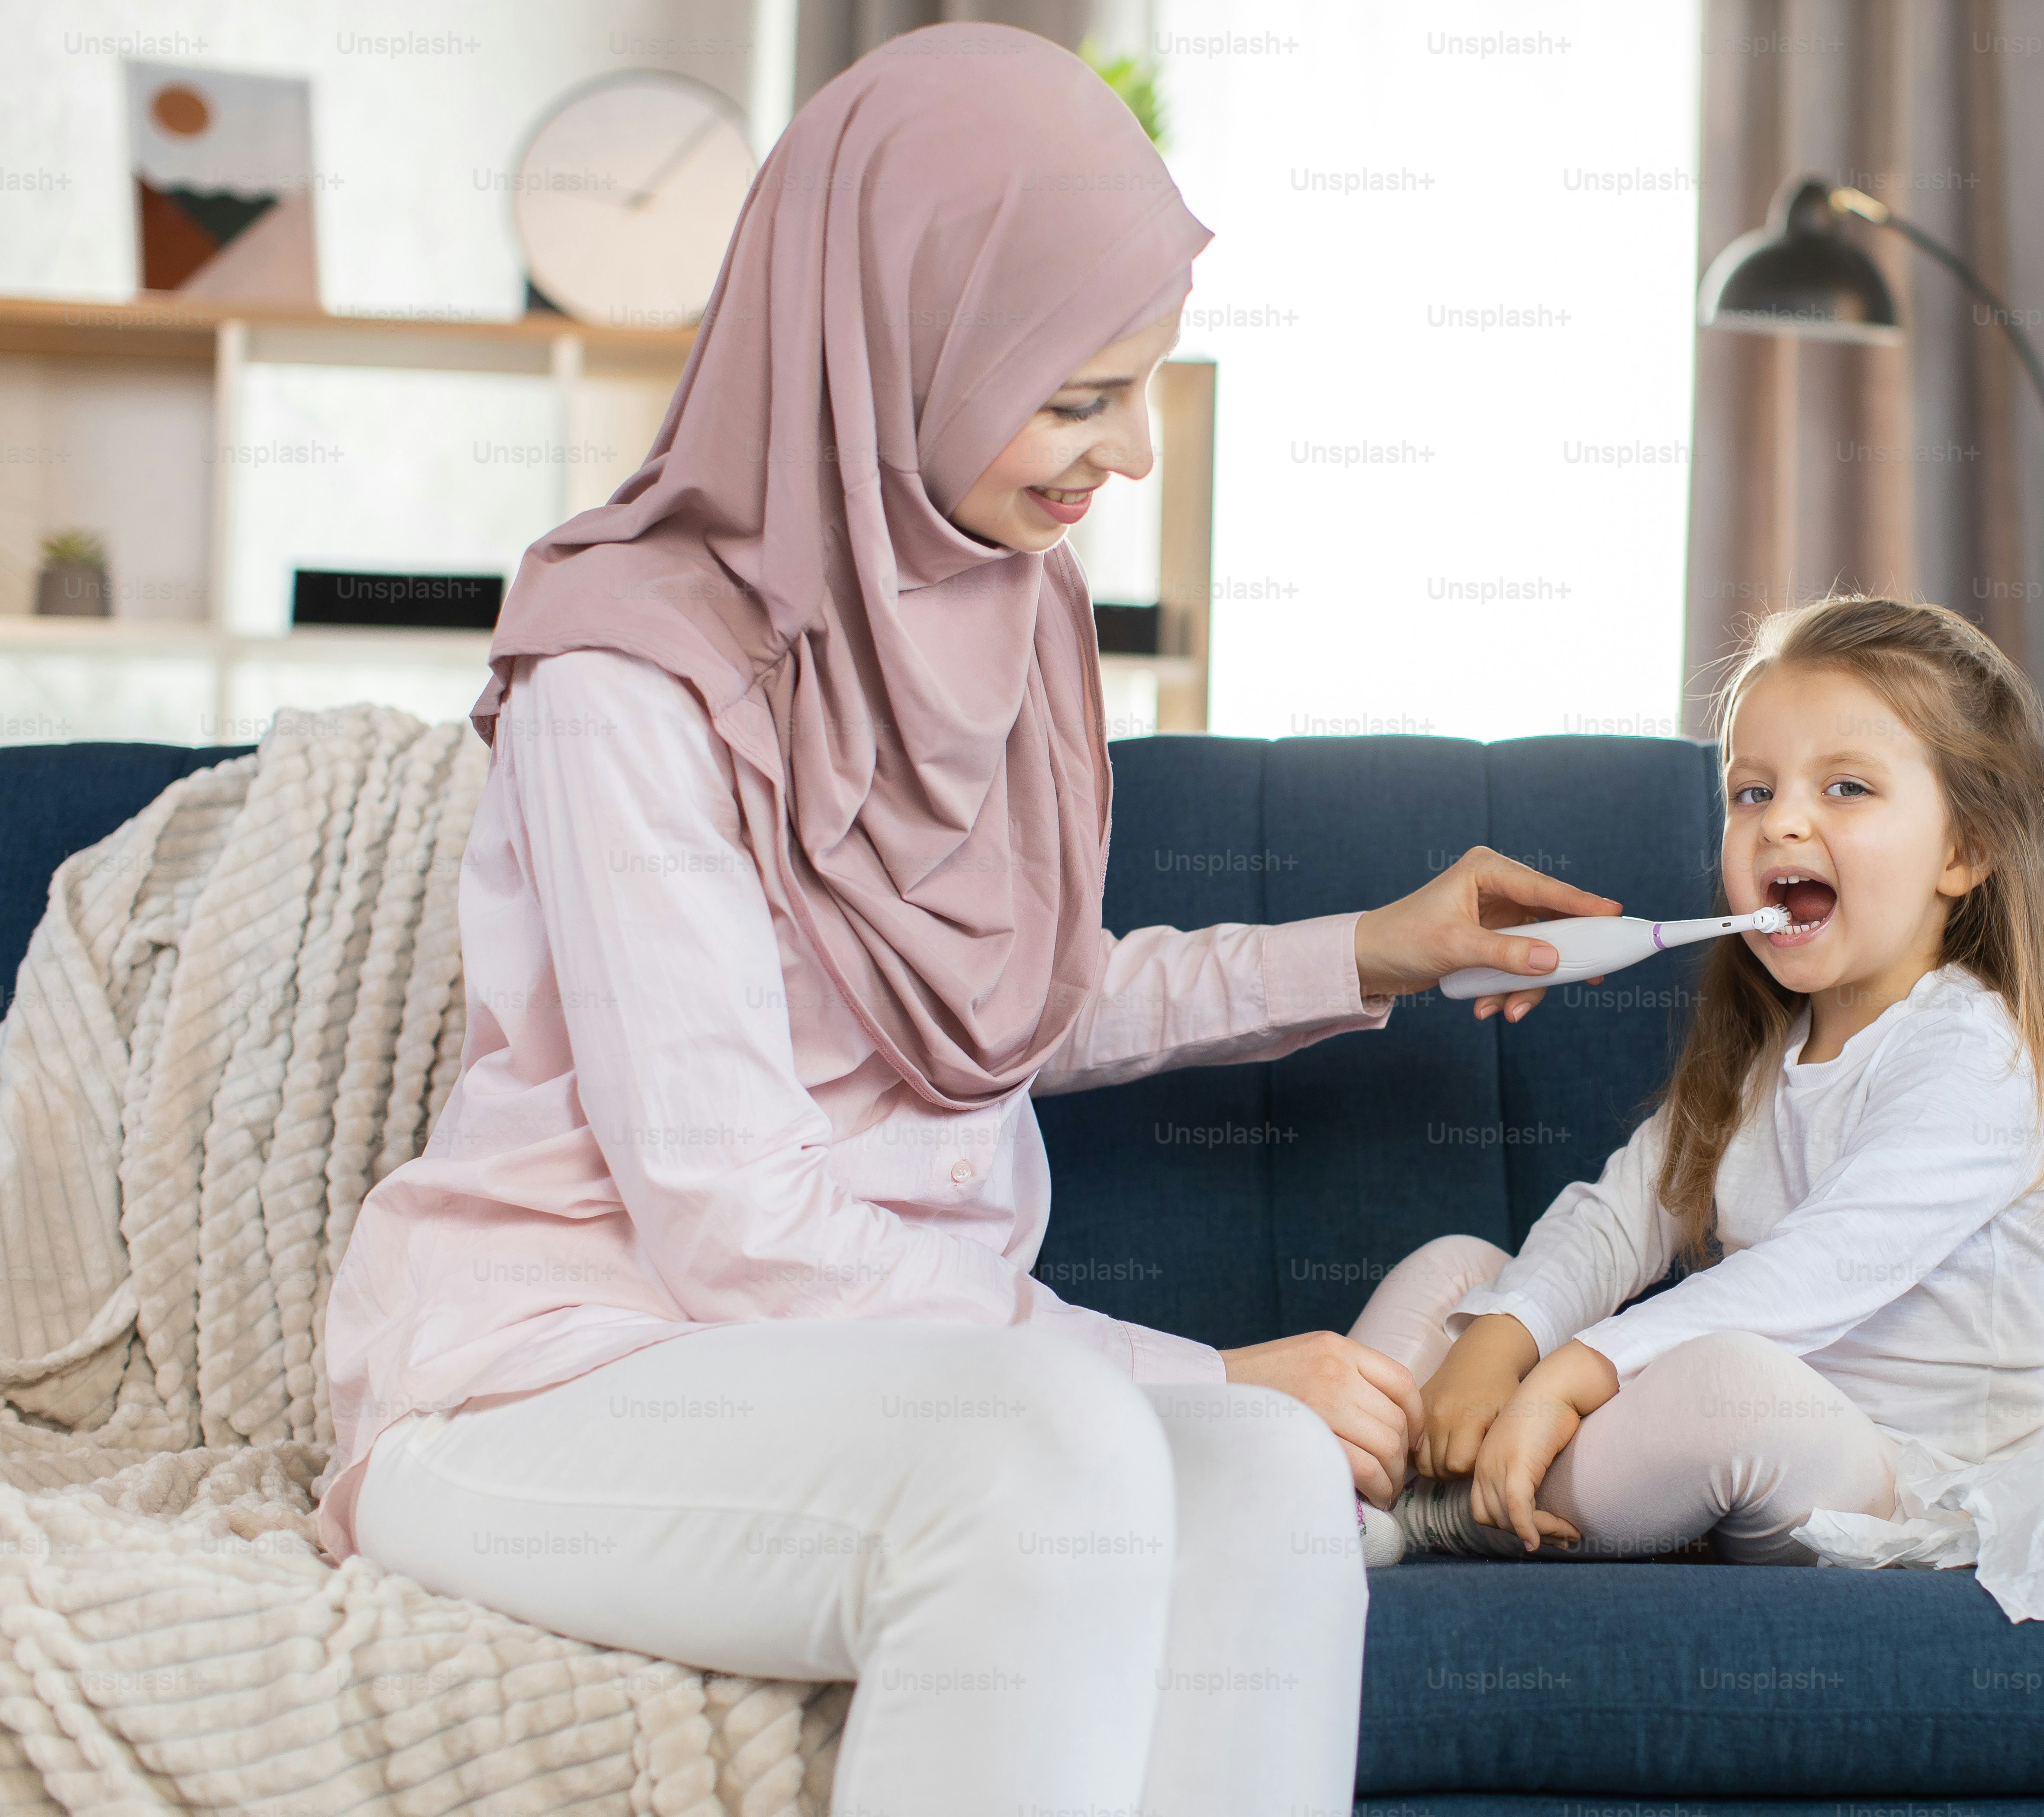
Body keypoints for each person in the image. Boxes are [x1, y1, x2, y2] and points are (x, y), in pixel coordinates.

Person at [310, 25, 1611, 1815]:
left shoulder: (1008, 602)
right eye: (1078, 397)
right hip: (553, 1372)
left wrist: (1363, 951)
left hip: (896, 1383)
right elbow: (732, 1224)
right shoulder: (628, 668)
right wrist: (1196, 1359)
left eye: (1144, 388)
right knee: (1072, 1438)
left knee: (1261, 1477)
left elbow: (995, 1001)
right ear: (890, 344)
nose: (1130, 454)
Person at [1349, 596, 2044, 1563]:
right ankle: (1333, 1485)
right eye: (1752, 793)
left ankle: (1446, 1509)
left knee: (1725, 1384)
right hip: (1740, 1438)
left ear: (1962, 851)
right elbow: (1618, 1218)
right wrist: (1505, 1340)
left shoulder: (1973, 1057)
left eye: (1844, 788)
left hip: (1901, 1490)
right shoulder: (1761, 1057)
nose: (1782, 821)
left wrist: (1575, 1369)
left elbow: (1823, 1269)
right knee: (1460, 1272)